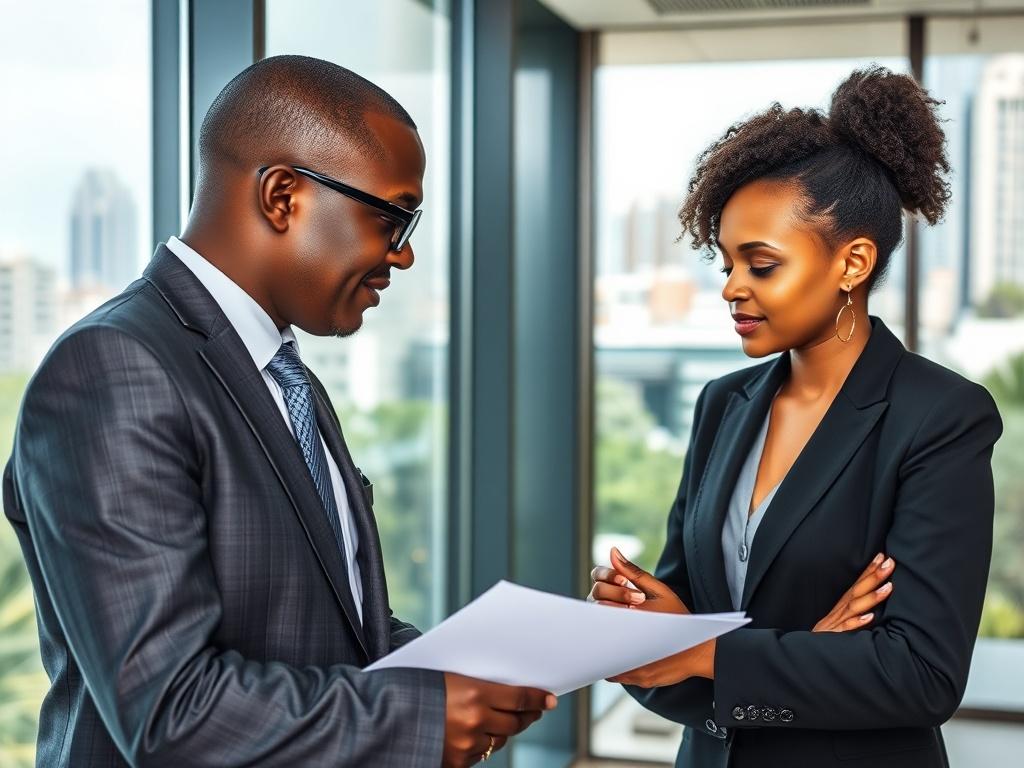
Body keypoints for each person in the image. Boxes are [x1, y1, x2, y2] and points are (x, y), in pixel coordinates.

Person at [3, 55, 555, 768]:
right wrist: (422, 713)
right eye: (392, 217)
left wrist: (455, 675)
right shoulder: (113, 367)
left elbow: (331, 622)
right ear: (283, 195)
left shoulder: (285, 376)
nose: (406, 254)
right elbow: (170, 711)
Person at [589, 66, 1002, 768]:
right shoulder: (723, 402)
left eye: (761, 264)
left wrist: (702, 648)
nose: (730, 287)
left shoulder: (942, 417)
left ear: (853, 262)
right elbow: (667, 644)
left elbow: (921, 676)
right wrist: (649, 634)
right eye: (724, 262)